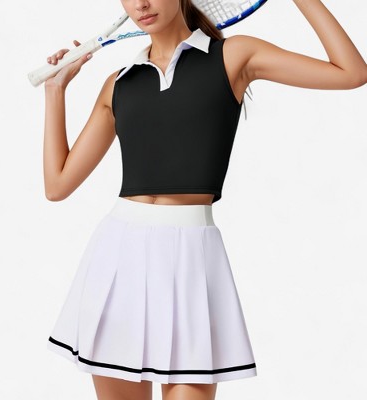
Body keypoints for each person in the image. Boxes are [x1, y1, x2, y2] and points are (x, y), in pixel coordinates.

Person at [43, 1, 367, 399]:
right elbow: (57, 185)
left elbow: (352, 72)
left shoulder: (234, 56)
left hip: (191, 260)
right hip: (119, 258)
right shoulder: (119, 83)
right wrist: (55, 91)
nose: (141, 4)